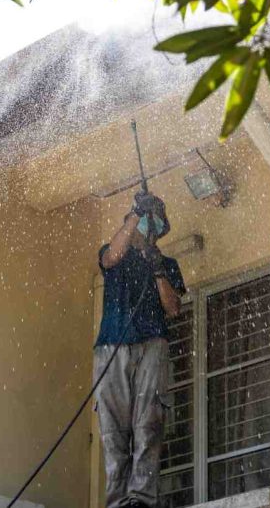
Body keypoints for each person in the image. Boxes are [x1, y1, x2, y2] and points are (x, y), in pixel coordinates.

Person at [95, 191, 186, 508]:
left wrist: (158, 269)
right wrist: (136, 212)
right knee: (113, 428)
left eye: (153, 226)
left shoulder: (167, 264)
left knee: (148, 422)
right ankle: (118, 501)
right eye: (142, 224)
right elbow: (110, 257)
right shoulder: (116, 254)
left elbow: (173, 308)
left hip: (152, 344)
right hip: (112, 346)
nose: (147, 231)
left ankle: (141, 499)